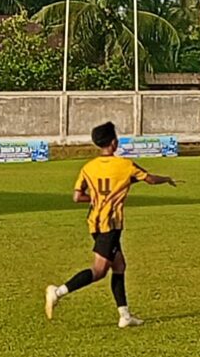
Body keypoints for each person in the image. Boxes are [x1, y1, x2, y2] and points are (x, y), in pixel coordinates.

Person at [46, 122, 177, 328]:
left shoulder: (88, 167)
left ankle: (125, 316)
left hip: (94, 222)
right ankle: (58, 291)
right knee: (99, 271)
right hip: (110, 225)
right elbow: (149, 179)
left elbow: (76, 196)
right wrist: (167, 178)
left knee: (119, 265)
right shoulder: (126, 165)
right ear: (114, 142)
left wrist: (98, 199)